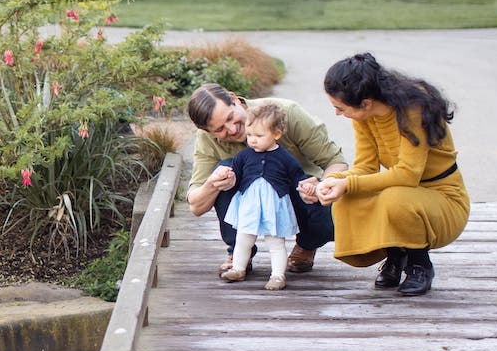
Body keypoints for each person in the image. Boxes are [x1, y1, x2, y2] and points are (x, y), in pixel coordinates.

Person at [316, 53, 469, 297]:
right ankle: (395, 256)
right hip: (407, 192)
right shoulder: (363, 116)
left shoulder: (412, 110)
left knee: (393, 198)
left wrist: (348, 183)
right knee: (349, 196)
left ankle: (419, 265)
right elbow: (365, 168)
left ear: (366, 102)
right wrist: (331, 181)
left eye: (339, 108)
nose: (337, 113)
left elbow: (408, 175)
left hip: (444, 198)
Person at [186, 84, 348, 276]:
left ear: (235, 99)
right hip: (247, 203)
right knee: (224, 168)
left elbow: (336, 162)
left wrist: (322, 186)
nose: (232, 128)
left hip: (296, 193)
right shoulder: (206, 140)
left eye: (231, 117)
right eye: (220, 129)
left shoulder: (286, 113)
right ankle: (239, 253)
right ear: (208, 132)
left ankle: (306, 244)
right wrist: (213, 183)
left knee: (329, 207)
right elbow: (196, 206)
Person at [217, 103, 309, 290]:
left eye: (259, 136)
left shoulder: (284, 157)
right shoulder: (244, 156)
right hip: (249, 204)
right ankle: (238, 268)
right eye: (250, 135)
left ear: (276, 134)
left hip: (273, 205)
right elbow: (236, 175)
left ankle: (277, 275)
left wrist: (306, 185)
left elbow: (298, 176)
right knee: (243, 239)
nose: (253, 140)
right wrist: (229, 176)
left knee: (275, 243)